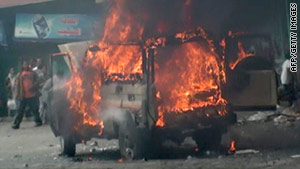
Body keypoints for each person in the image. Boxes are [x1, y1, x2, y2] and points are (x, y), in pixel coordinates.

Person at [12, 61, 42, 129]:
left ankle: (38, 122)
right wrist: (17, 94)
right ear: (22, 65)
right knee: (20, 111)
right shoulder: (19, 74)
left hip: (32, 95)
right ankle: (16, 124)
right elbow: (17, 85)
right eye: (25, 64)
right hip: (23, 96)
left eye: (27, 64)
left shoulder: (33, 73)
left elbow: (38, 80)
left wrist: (34, 86)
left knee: (35, 109)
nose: (26, 65)